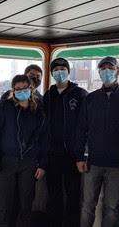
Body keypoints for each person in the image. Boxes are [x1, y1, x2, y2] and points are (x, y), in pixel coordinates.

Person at [0, 74, 48, 227]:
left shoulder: (39, 111)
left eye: (25, 88)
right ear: (13, 90)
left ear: (31, 89)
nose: (21, 91)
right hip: (6, 160)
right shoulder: (5, 107)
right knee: (4, 202)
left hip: (29, 162)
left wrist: (43, 164)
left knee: (26, 201)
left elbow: (44, 139)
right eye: (17, 89)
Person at [75, 56, 119, 227]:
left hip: (118, 163)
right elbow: (81, 129)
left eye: (111, 69)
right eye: (103, 69)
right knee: (87, 205)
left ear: (118, 71)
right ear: (99, 72)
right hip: (93, 162)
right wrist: (79, 157)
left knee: (112, 207)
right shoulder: (90, 99)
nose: (107, 72)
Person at [44, 58, 88, 227]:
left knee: (73, 195)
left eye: (62, 68)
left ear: (68, 71)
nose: (59, 72)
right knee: (53, 194)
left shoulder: (80, 94)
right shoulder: (49, 94)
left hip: (73, 155)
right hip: (52, 154)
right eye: (55, 69)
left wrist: (81, 154)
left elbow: (85, 126)